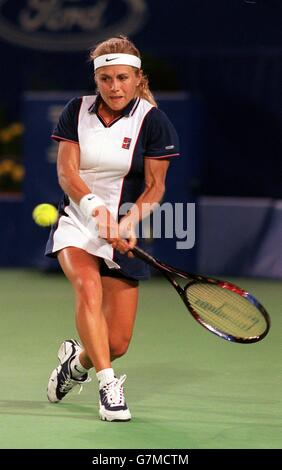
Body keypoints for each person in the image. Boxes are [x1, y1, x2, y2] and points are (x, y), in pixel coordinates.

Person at [45, 35, 180, 422]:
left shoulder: (154, 122)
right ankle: (108, 387)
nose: (114, 87)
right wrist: (96, 212)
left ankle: (77, 363)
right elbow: (66, 172)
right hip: (77, 221)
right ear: (96, 80)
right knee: (87, 289)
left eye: (122, 78)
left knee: (116, 341)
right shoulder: (77, 110)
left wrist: (128, 221)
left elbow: (156, 188)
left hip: (122, 228)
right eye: (105, 79)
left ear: (138, 78)